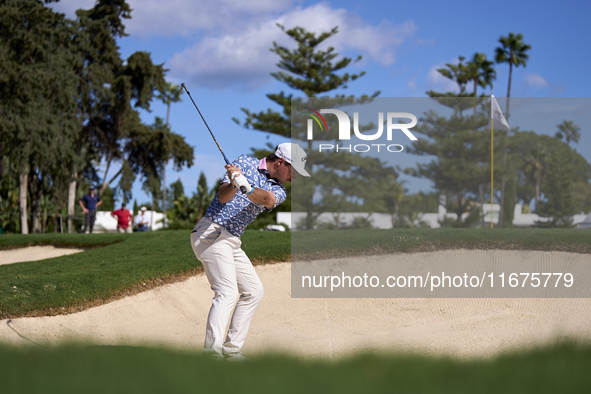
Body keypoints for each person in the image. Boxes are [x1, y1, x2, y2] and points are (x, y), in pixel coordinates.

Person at [190, 143, 310, 360]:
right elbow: (223, 197)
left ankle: (231, 350)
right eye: (294, 171)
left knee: (254, 291)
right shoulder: (245, 162)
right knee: (227, 293)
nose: (295, 177)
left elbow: (267, 199)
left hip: (231, 240)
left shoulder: (279, 189)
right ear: (281, 163)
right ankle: (212, 356)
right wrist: (235, 183)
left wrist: (248, 187)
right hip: (211, 233)